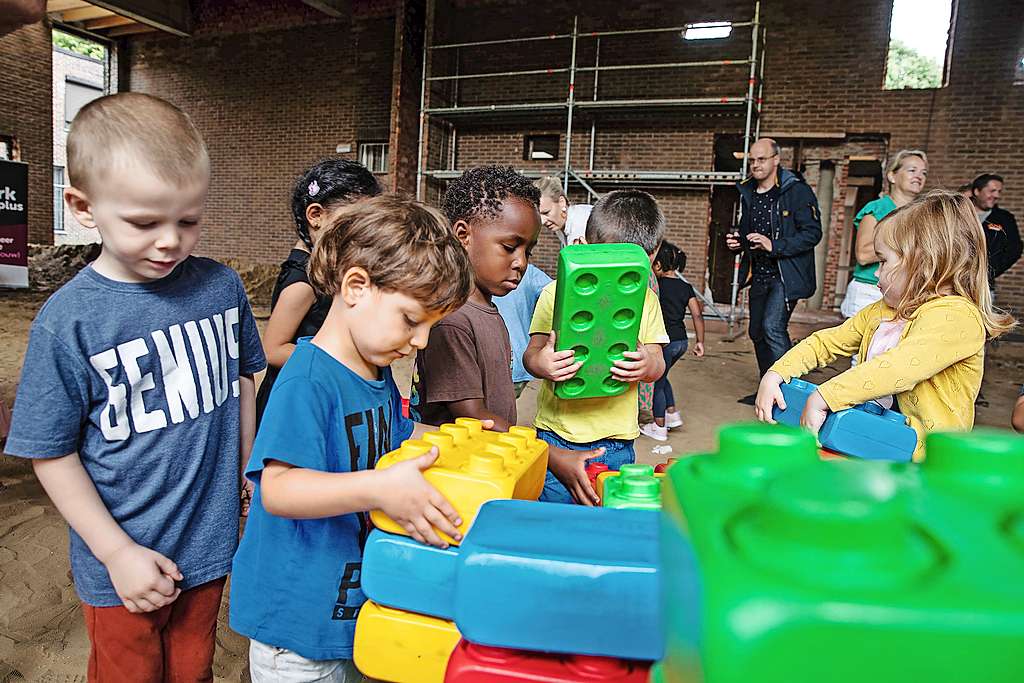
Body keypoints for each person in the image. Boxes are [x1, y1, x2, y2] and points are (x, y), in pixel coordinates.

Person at [3, 93, 267, 682]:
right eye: (145, 223)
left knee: (194, 667)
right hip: (120, 556)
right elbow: (50, 451)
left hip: (207, 541)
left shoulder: (221, 289)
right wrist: (116, 553)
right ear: (82, 207)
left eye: (189, 220)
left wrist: (249, 470)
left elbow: (243, 382)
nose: (171, 241)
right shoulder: (68, 321)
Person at [230, 195, 475, 682]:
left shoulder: (375, 367)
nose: (421, 342)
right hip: (297, 628)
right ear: (357, 286)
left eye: (431, 326)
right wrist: (379, 489)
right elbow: (278, 490)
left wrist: (460, 439)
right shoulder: (308, 381)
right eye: (411, 320)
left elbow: (395, 431)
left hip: (355, 609)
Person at [754, 190, 1015, 462]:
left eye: (883, 261)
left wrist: (826, 395)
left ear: (924, 261)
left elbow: (900, 367)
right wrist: (776, 373)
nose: (876, 272)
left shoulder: (956, 317)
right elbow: (826, 342)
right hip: (876, 445)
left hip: (926, 465)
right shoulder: (884, 310)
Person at [524, 189, 669, 504]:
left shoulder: (647, 301)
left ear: (653, 256)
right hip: (557, 437)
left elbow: (658, 364)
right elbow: (531, 355)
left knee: (605, 516)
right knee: (554, 517)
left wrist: (647, 364)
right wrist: (543, 364)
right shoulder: (553, 293)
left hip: (616, 442)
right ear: (582, 246)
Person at [412, 166, 542, 431]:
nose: (521, 262)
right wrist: (548, 453)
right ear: (463, 235)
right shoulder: (452, 320)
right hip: (458, 464)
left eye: (528, 251)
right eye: (509, 247)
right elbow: (473, 416)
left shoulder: (488, 310)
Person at [255, 158, 381, 425]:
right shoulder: (303, 283)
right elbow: (273, 349)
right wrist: (339, 361)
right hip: (293, 404)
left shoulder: (326, 268)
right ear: (315, 215)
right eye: (354, 223)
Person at [727, 138, 822, 405]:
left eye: (761, 159)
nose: (755, 165)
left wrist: (774, 245)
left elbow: (813, 233)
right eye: (752, 160)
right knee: (756, 330)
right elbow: (748, 232)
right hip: (758, 272)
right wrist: (738, 242)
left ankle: (790, 396)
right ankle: (766, 389)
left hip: (785, 274)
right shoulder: (747, 192)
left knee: (772, 327)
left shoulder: (797, 191)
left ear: (776, 160)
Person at [840, 150, 928, 318]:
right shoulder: (878, 208)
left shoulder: (922, 215)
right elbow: (863, 254)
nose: (919, 176)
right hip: (869, 291)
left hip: (904, 293)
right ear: (892, 176)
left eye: (923, 172)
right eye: (912, 170)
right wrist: (907, 243)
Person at [640, 241, 706, 441]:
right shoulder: (686, 287)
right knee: (665, 374)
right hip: (681, 342)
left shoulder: (656, 286)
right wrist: (700, 342)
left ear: (657, 265)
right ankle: (672, 414)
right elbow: (697, 315)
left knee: (658, 382)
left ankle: (659, 427)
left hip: (664, 343)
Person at [494, 262, 552, 398]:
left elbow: (556, 292)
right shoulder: (529, 273)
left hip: (513, 365)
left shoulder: (529, 274)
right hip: (518, 361)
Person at [970, 173, 1021, 289]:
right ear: (977, 191)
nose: (997, 195)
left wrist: (989, 272)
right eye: (992, 191)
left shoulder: (1005, 218)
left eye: (999, 191)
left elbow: (1015, 249)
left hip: (984, 286)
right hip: (951, 282)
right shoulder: (959, 213)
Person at [534, 176, 593, 246]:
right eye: (538, 216)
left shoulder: (580, 224)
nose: (542, 221)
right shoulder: (562, 224)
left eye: (546, 212)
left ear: (562, 202)